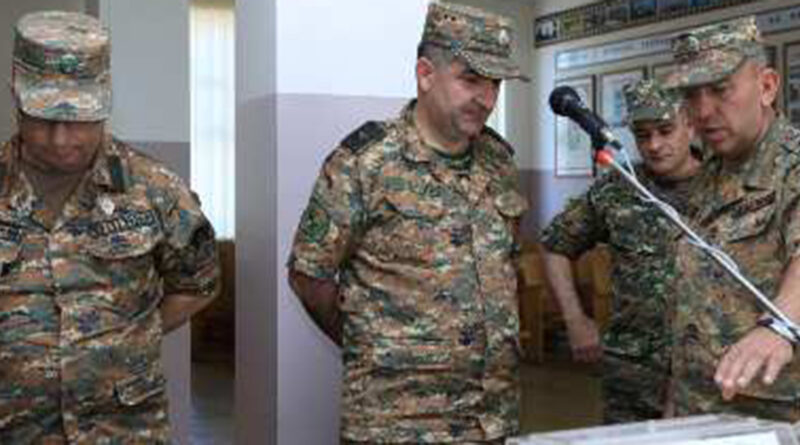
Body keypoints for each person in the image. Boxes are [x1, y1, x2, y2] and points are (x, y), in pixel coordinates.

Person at [287, 2, 529, 443]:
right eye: (471, 79)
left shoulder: (500, 162)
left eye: (495, 83)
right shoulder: (365, 161)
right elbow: (309, 275)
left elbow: (507, 265)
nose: (487, 98)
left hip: (490, 417)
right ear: (425, 74)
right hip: (396, 421)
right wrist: (373, 342)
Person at [0, 11, 219, 442]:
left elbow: (199, 283)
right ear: (15, 96)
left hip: (123, 429)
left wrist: (131, 337)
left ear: (105, 99)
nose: (61, 139)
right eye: (43, 117)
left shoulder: (155, 189)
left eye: (79, 118)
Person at [539, 79, 701, 423]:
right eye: (643, 135)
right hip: (632, 377)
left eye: (665, 131)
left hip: (708, 377)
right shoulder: (619, 188)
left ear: (690, 125)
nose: (654, 145)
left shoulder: (724, 186)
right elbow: (554, 246)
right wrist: (575, 319)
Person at [665, 16, 800, 420]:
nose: (703, 111)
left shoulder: (792, 165)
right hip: (699, 405)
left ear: (767, 87)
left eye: (721, 89)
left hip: (775, 412)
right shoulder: (709, 174)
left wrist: (779, 325)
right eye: (691, 95)